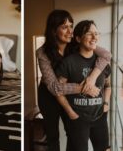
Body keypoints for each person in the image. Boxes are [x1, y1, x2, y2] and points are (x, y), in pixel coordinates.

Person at [36, 10, 111, 151]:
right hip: (48, 96)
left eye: (71, 26)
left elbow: (106, 55)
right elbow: (53, 86)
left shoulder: (76, 44)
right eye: (65, 27)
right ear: (53, 30)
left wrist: (92, 78)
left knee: (73, 133)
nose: (70, 31)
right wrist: (84, 88)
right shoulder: (42, 53)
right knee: (52, 136)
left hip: (69, 96)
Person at [55, 20, 111, 151]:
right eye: (89, 33)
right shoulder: (68, 62)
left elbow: (108, 86)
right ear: (78, 38)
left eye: (96, 34)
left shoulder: (102, 62)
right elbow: (58, 90)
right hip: (78, 118)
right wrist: (70, 112)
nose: (94, 37)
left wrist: (106, 103)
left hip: (99, 116)